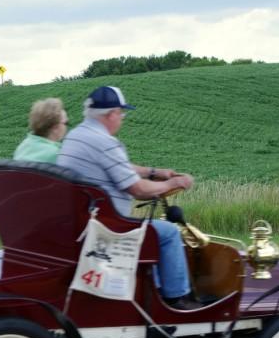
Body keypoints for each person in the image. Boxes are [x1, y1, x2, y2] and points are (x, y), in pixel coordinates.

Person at [56, 86, 200, 310]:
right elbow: (138, 189)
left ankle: (156, 290)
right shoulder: (105, 142)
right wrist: (173, 183)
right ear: (111, 114)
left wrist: (155, 172)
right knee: (169, 233)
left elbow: (119, 167)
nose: (122, 119)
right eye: (121, 114)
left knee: (153, 230)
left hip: (81, 222)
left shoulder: (77, 135)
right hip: (107, 228)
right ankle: (177, 299)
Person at [13, 98, 69, 163]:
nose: (66, 127)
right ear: (55, 127)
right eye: (66, 123)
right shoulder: (57, 155)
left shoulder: (22, 146)